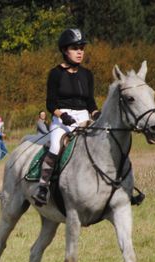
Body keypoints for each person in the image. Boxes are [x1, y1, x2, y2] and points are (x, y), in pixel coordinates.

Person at [32, 28, 99, 206]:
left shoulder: (87, 74)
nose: (79, 52)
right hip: (61, 118)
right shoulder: (55, 74)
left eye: (82, 48)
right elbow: (50, 103)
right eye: (75, 48)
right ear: (64, 50)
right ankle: (43, 187)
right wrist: (63, 116)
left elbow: (90, 102)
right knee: (55, 146)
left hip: (84, 117)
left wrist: (96, 113)